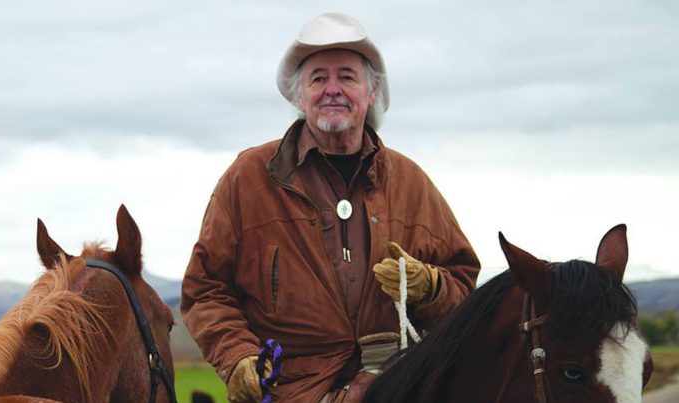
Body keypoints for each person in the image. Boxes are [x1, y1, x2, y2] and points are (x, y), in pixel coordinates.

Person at [181, 12, 480, 403]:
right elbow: (205, 289)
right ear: (299, 95)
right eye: (318, 79)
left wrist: (430, 287)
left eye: (348, 77)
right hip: (290, 391)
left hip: (394, 387)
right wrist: (237, 356)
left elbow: (465, 291)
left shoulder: (412, 184)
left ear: (372, 92)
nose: (332, 90)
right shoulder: (248, 178)